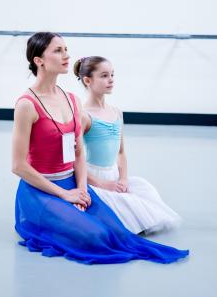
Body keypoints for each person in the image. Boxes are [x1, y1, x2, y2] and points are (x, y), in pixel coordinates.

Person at [12, 32, 189, 264]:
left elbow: (78, 152)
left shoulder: (73, 100)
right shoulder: (27, 104)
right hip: (41, 190)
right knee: (96, 236)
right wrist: (65, 194)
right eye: (58, 50)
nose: (66, 55)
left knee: (117, 233)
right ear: (39, 60)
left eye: (66, 49)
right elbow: (18, 166)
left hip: (74, 183)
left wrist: (81, 190)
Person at [74, 55, 182, 234]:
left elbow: (121, 152)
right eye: (104, 75)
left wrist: (123, 178)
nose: (111, 80)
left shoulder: (116, 112)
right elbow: (75, 157)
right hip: (94, 178)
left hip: (114, 175)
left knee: (146, 193)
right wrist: (102, 184)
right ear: (87, 80)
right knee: (122, 212)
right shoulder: (83, 115)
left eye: (112, 75)